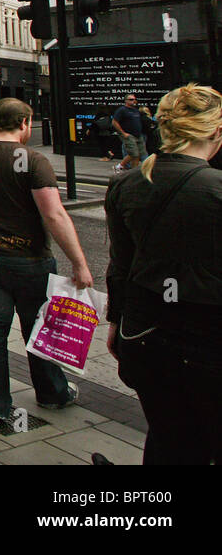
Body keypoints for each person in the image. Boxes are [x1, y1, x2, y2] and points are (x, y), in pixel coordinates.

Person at [0, 97, 94, 427]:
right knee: (39, 329)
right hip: (29, 261)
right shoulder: (33, 160)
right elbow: (54, 215)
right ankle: (52, 393)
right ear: (25, 123)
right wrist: (79, 263)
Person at [104, 83, 222, 464]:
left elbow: (121, 265)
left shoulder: (125, 183)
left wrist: (115, 323)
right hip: (206, 342)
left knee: (168, 435)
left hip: (143, 338)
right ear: (216, 132)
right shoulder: (215, 188)